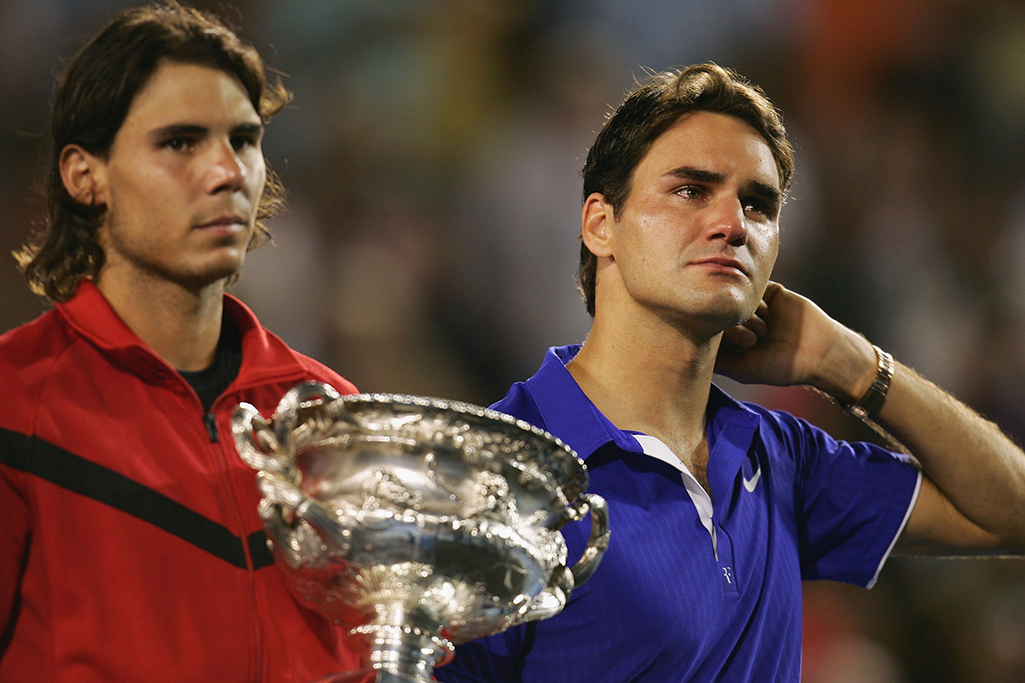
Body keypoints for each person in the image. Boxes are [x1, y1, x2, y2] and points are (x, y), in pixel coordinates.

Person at [434, 63, 1025, 682]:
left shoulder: (780, 459)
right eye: (690, 190)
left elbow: (1008, 511)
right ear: (600, 225)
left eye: (759, 204)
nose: (733, 225)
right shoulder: (496, 476)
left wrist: (846, 362)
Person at [0, 3, 364, 680]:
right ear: (86, 176)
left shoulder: (330, 412)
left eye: (244, 140)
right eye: (179, 143)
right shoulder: (12, 400)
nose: (226, 172)